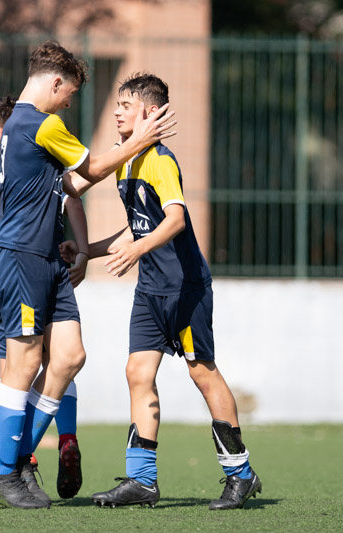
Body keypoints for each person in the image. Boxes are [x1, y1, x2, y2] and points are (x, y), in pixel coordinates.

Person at [0, 41, 176, 510]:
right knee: (24, 364)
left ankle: (17, 459)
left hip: (48, 259)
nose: (69, 103)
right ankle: (2, 472)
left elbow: (69, 183)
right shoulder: (41, 122)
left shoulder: (19, 126)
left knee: (68, 357)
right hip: (23, 257)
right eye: (69, 94)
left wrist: (83, 248)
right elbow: (93, 168)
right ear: (55, 83)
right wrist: (139, 140)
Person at [60, 73, 261, 510]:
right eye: (117, 105)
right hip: (150, 291)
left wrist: (136, 249)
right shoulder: (126, 161)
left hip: (184, 289)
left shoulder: (160, 161)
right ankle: (142, 480)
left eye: (126, 105)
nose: (117, 112)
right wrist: (87, 251)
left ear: (150, 113)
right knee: (137, 372)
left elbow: (175, 220)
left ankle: (240, 473)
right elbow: (138, 226)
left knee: (202, 373)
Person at [0, 96, 88, 501]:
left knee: (16, 370)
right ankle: (63, 438)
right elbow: (74, 197)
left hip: (18, 271)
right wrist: (83, 250)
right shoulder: (47, 161)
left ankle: (14, 466)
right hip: (55, 266)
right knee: (61, 361)